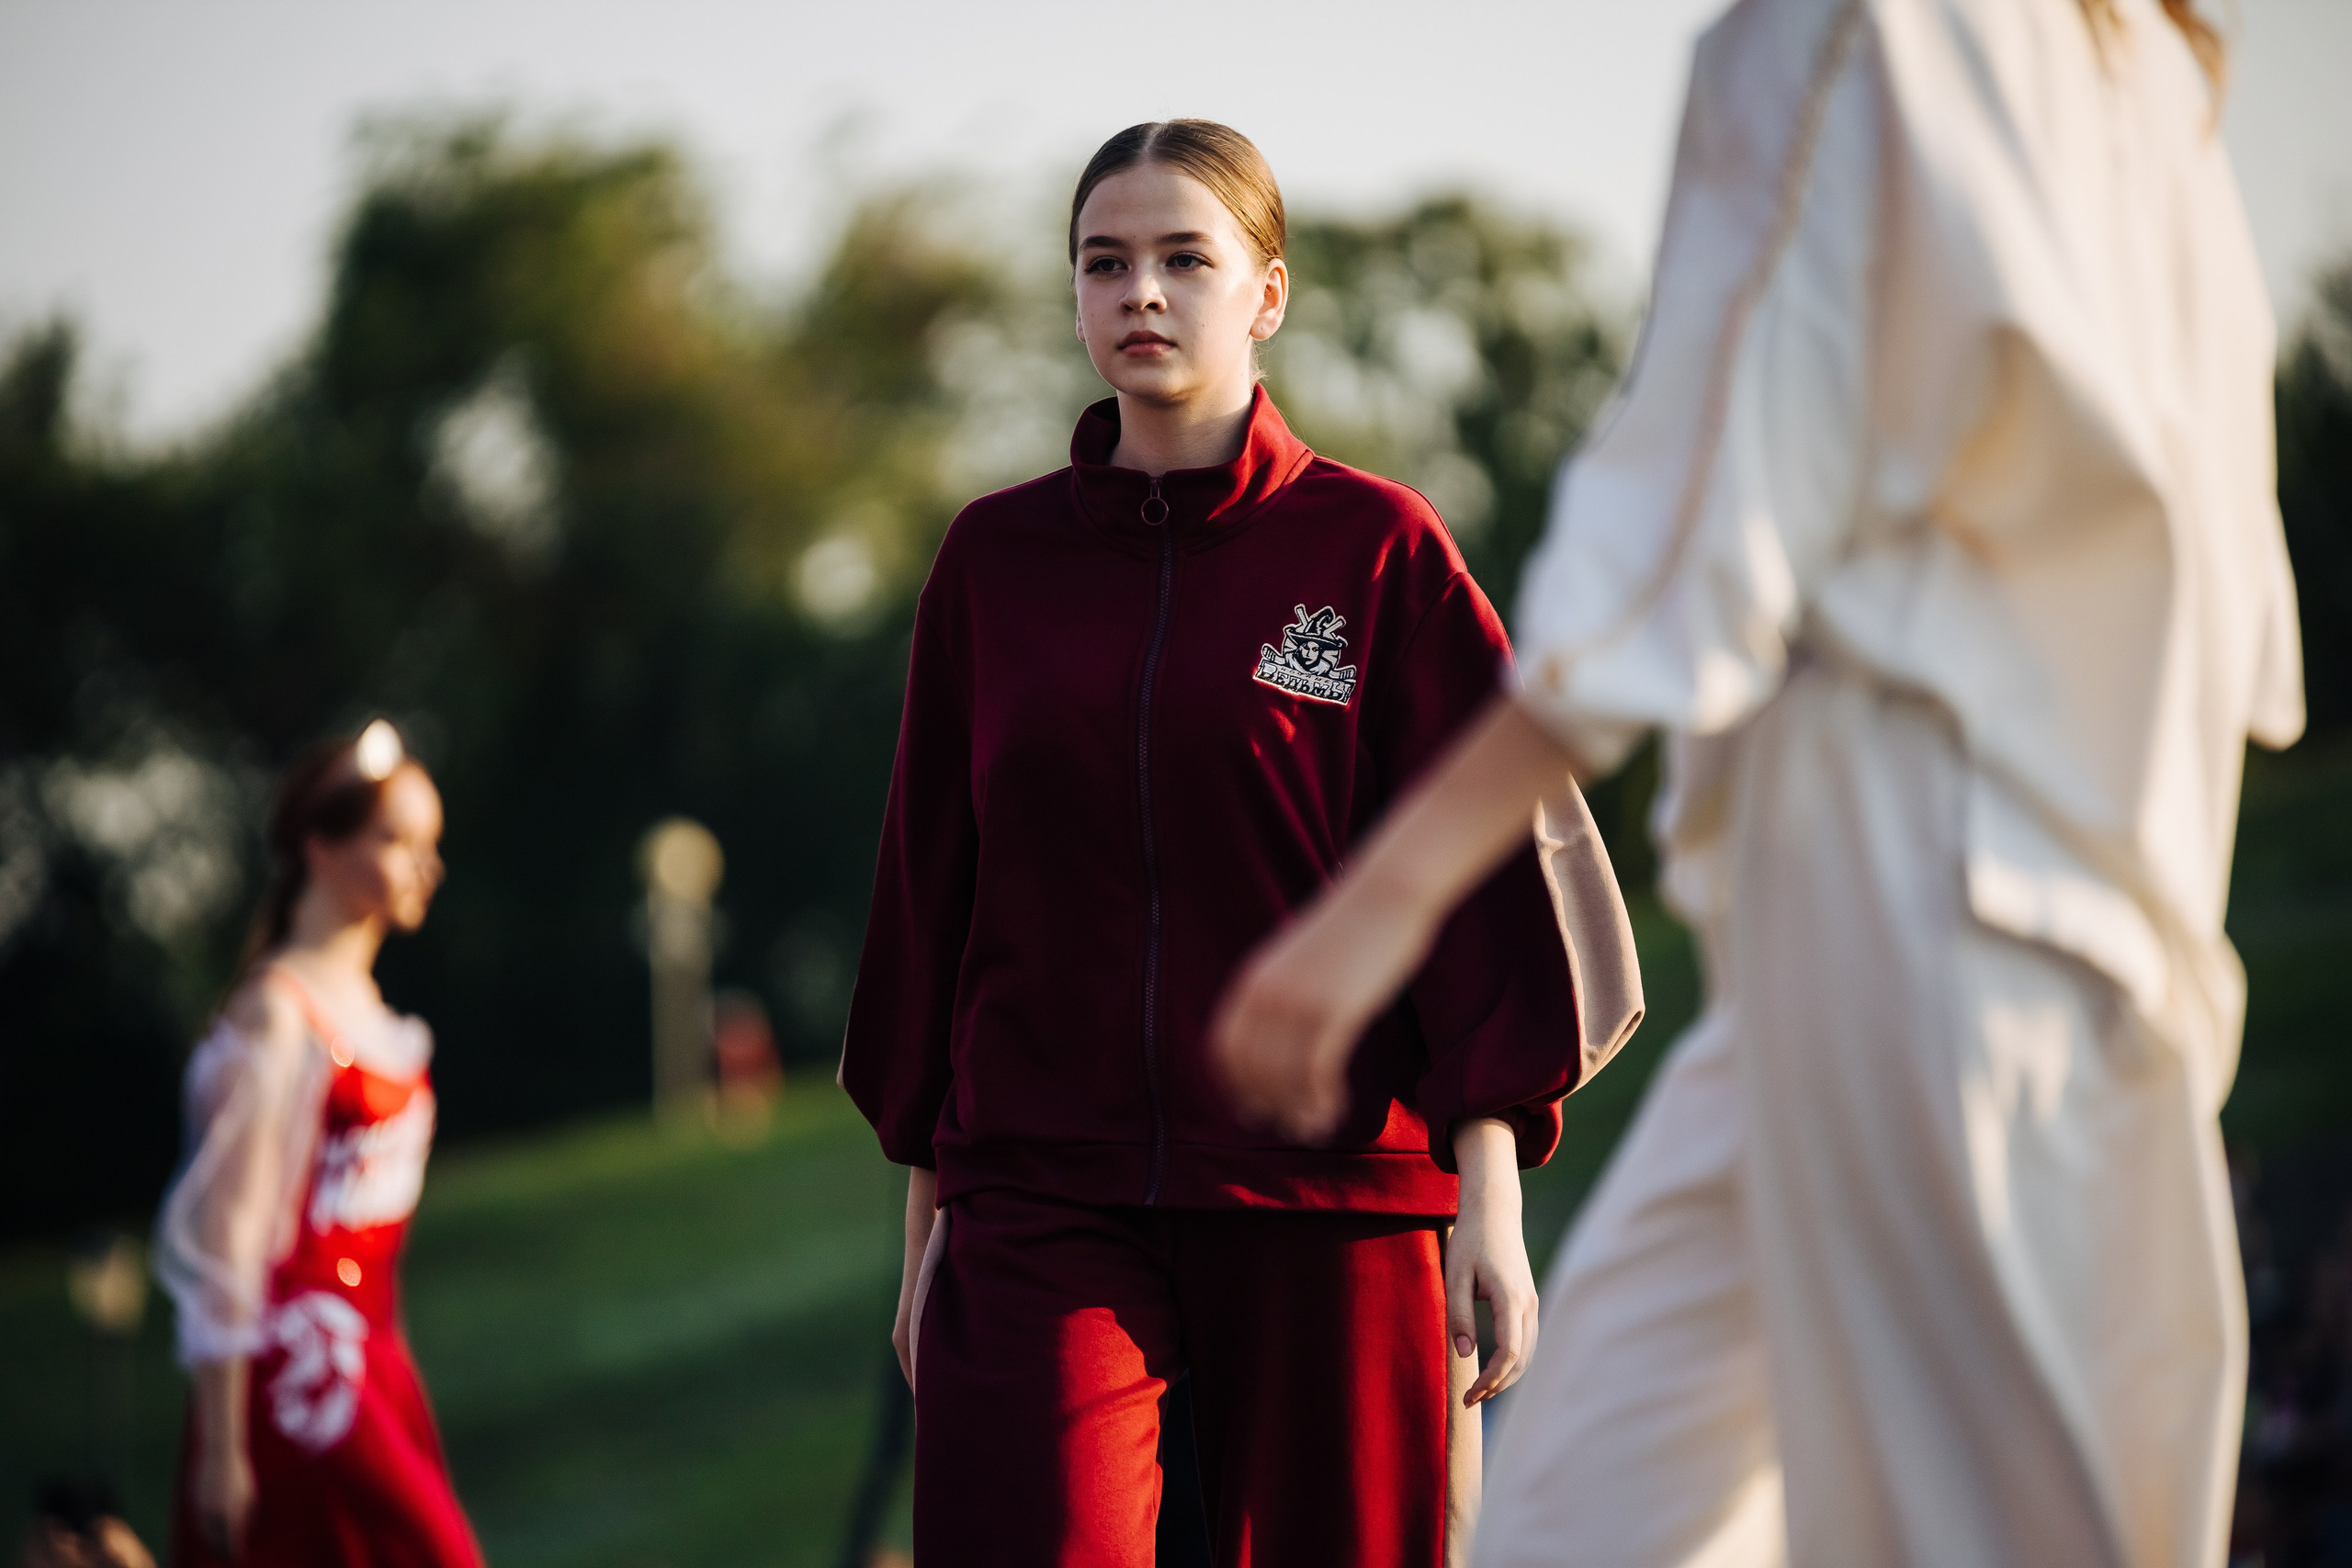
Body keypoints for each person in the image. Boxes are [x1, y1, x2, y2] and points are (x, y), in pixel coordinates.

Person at [1212, 1, 2306, 1563]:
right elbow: (2242, 627)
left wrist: (1376, 907)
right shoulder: (2142, 62)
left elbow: (1679, 538)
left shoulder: (1851, 29)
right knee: (1576, 1521)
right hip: (1966, 948)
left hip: (1929, 916)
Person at [838, 119, 1641, 1567]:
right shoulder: (991, 564)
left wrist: (1492, 1203)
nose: (1139, 291)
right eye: (1104, 263)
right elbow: (931, 894)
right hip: (1043, 1189)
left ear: (1266, 292)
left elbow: (1485, 887)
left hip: (1334, 1194)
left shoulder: (1380, 549)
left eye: (1183, 259)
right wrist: (927, 1223)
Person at [156, 720, 482, 1568]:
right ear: (322, 848)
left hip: (374, 1364)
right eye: (397, 840)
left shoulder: (373, 1014)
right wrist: (223, 1444)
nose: (426, 865)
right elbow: (231, 1233)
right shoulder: (277, 1014)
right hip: (299, 1375)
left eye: (431, 843)